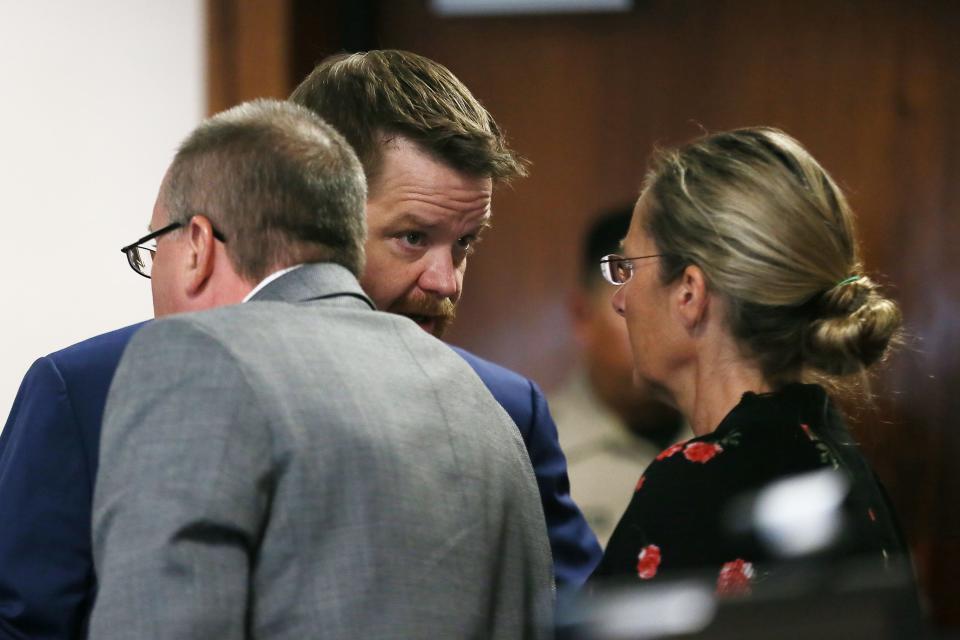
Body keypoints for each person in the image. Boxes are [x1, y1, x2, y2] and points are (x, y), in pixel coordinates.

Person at [0, 49, 597, 639]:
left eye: (465, 243)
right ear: (320, 204)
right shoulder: (83, 393)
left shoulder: (503, 404)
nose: (446, 282)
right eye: (412, 237)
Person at [589, 127, 910, 594]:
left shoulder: (695, 485)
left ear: (689, 293)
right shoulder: (838, 456)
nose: (621, 300)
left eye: (629, 267)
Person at [549, 206, 688, 545]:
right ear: (582, 315)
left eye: (672, 306)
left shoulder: (730, 438)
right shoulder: (537, 452)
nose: (655, 326)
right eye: (626, 308)